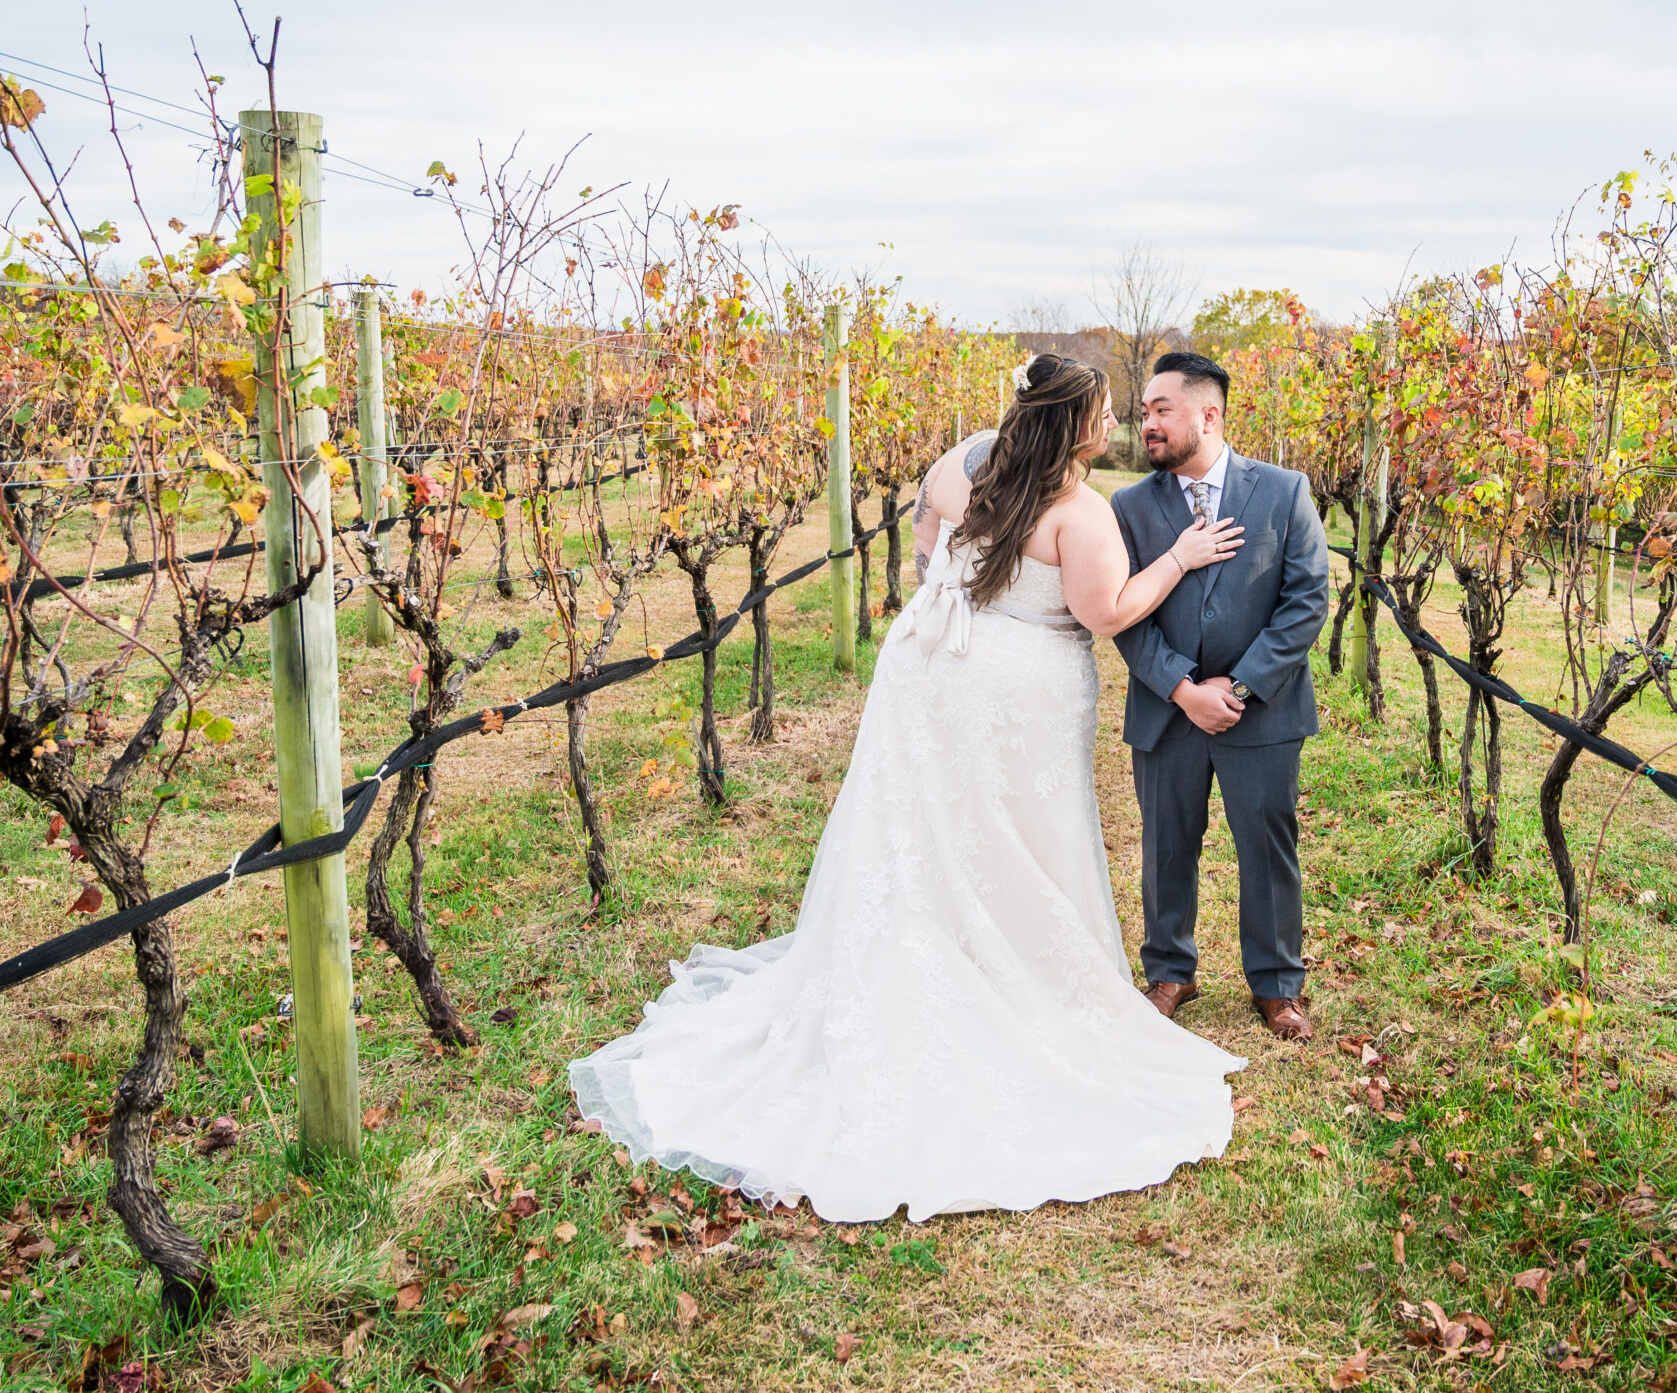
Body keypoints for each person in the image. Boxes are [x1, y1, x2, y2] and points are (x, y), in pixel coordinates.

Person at [568, 354, 1248, 1222]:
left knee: (924, 827)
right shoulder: (1080, 510)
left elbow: (929, 536)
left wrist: (949, 591)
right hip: (1017, 687)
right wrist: (1182, 559)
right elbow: (1106, 611)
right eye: (1107, 412)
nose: (1114, 425)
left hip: (935, 667)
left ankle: (922, 952)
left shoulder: (967, 464)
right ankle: (1007, 976)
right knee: (1012, 832)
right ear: (1076, 425)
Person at [1110, 351, 1331, 1042]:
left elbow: (1305, 602)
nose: (1147, 422)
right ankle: (1170, 971)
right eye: (1144, 411)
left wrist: (1234, 690)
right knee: (1167, 843)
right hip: (1166, 713)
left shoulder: (1284, 492)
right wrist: (1181, 689)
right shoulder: (1128, 507)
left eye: (1160, 410)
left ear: (1208, 416)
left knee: (1267, 848)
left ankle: (1276, 984)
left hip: (1259, 712)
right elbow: (1122, 614)